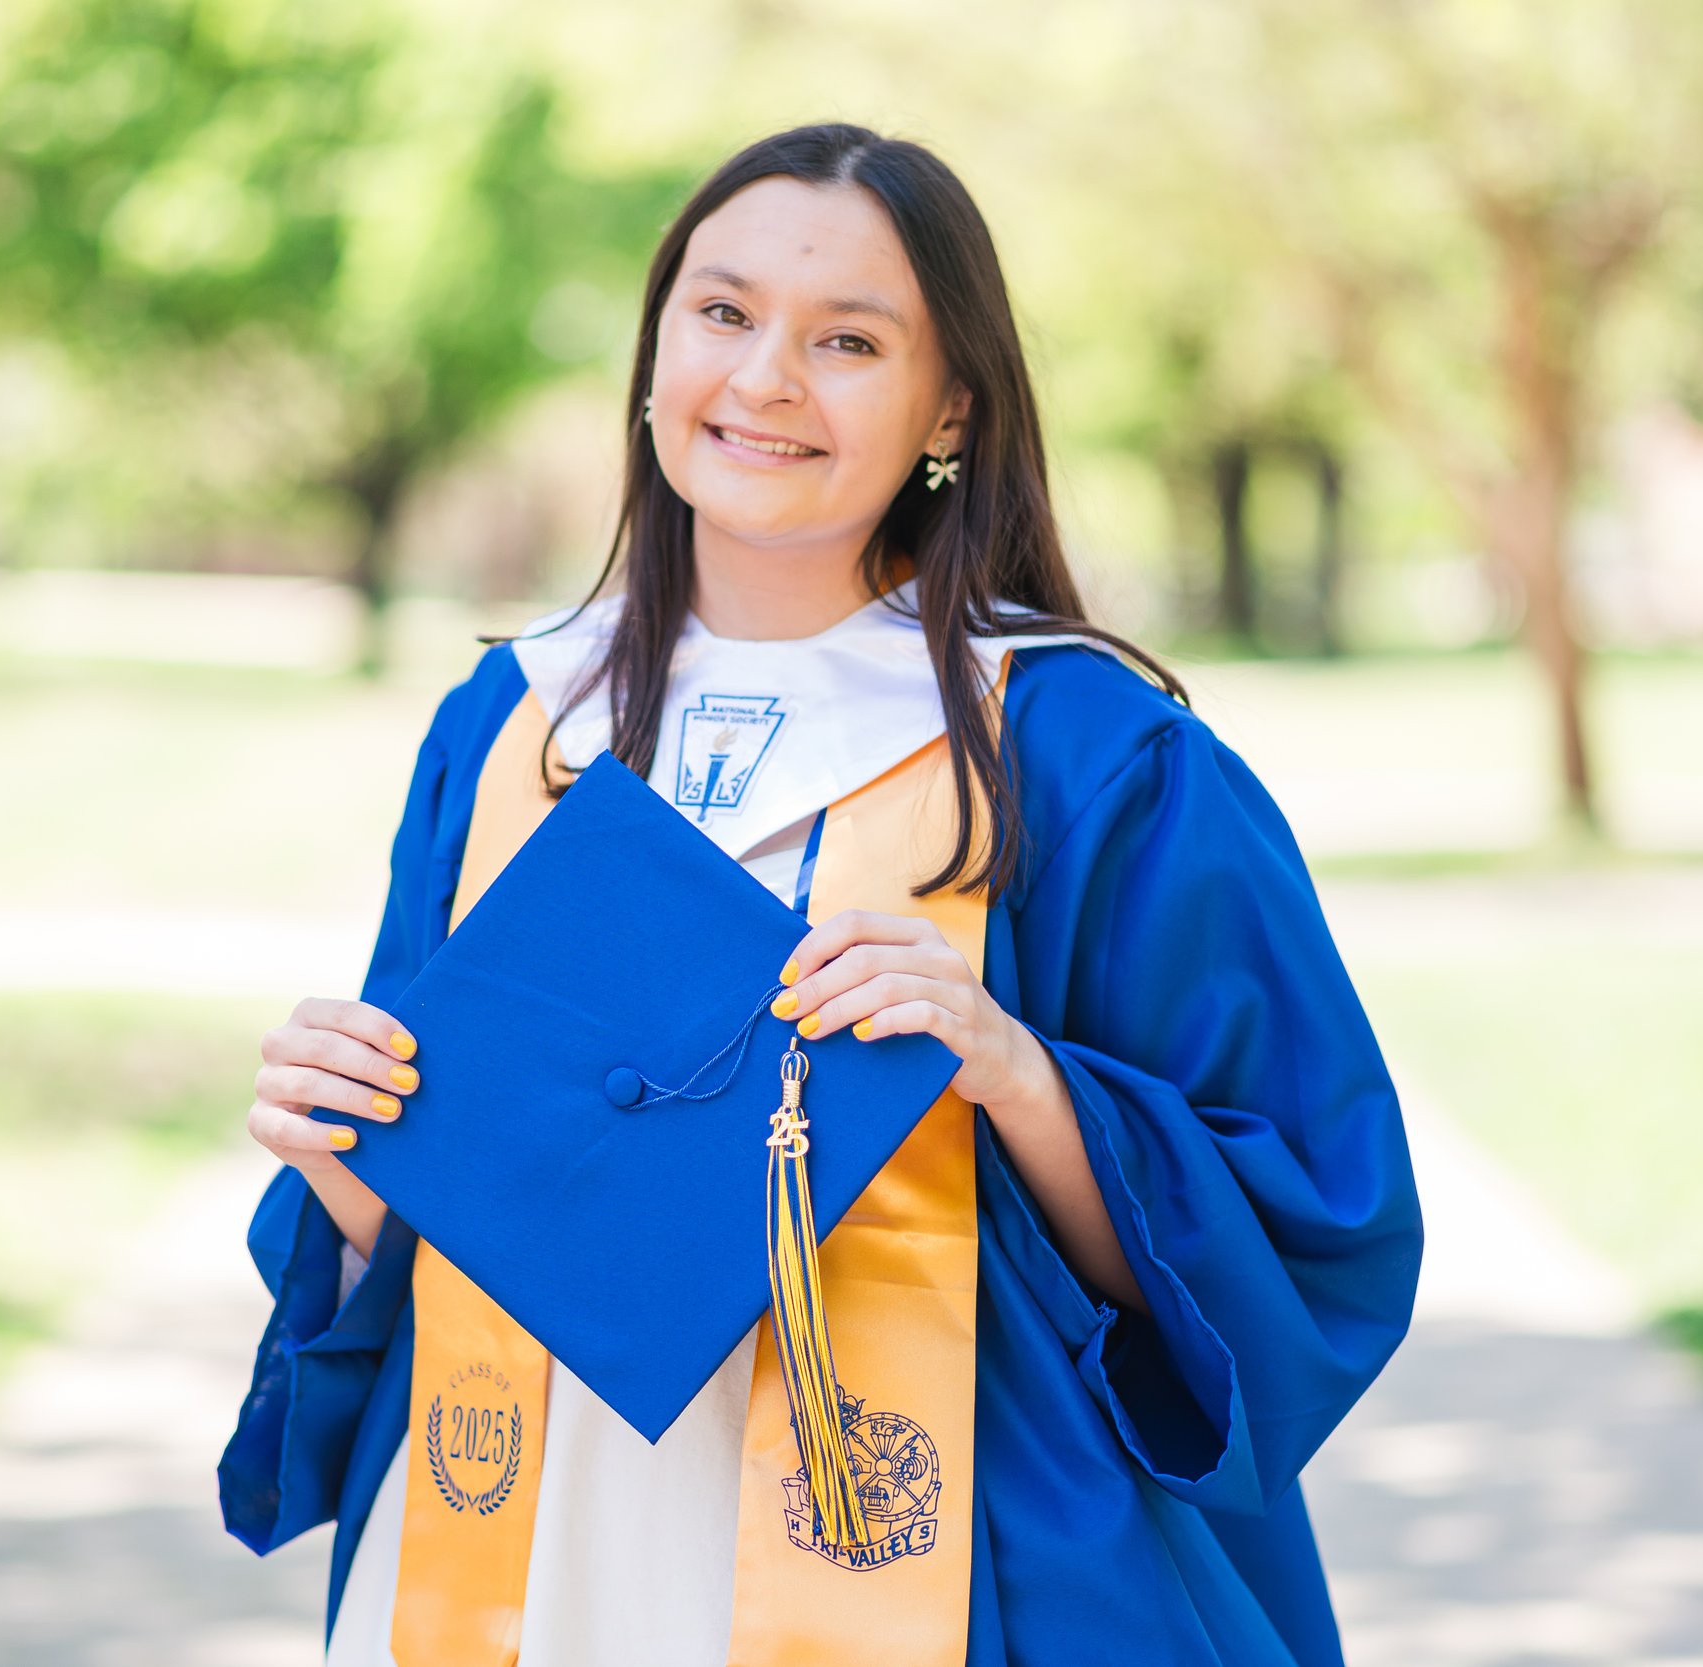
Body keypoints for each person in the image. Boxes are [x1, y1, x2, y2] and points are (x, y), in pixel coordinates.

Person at [221, 122, 1422, 1667]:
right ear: (658, 349)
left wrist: (1017, 1073)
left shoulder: (1080, 749)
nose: (767, 378)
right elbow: (440, 1193)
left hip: (933, 1538)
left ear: (951, 406)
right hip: (525, 1520)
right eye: (722, 313)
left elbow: (1302, 1211)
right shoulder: (512, 723)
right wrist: (347, 1150)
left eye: (848, 341)